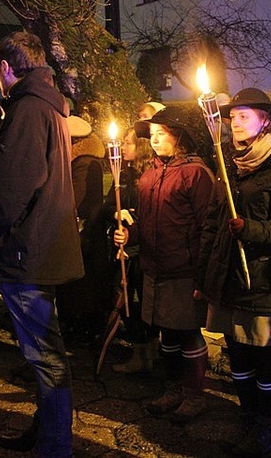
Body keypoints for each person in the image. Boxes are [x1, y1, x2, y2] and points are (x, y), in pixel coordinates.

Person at [0, 31, 83, 456]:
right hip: (43, 245)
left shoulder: (26, 110)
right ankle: (47, 433)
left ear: (6, 68)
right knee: (44, 352)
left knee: (45, 355)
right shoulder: (49, 106)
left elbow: (9, 188)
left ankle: (56, 445)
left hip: (27, 250)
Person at [198, 88, 271, 455]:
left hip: (260, 279)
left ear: (265, 120)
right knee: (236, 355)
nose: (235, 122)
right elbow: (214, 219)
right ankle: (248, 418)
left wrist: (252, 230)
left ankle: (267, 429)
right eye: (232, 117)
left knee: (260, 356)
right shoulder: (227, 160)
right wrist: (204, 275)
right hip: (229, 277)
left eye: (244, 116)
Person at [113, 107, 214, 424]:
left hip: (183, 269)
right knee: (166, 335)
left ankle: (194, 393)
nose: (154, 140)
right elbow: (145, 222)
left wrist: (202, 272)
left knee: (187, 334)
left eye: (161, 134)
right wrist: (129, 235)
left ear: (179, 138)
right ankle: (172, 388)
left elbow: (205, 227)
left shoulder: (196, 174)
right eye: (152, 135)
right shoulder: (149, 176)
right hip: (154, 268)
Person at [109, 123, 159, 374]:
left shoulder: (149, 175)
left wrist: (134, 220)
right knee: (127, 302)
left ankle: (150, 353)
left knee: (141, 304)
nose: (123, 147)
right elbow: (111, 203)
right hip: (125, 248)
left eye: (128, 142)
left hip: (141, 252)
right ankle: (139, 353)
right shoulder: (124, 173)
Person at [57, 115, 109, 345]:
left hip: (84, 231)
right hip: (83, 230)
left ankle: (84, 326)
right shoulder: (81, 161)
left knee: (83, 284)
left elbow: (76, 199)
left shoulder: (84, 163)